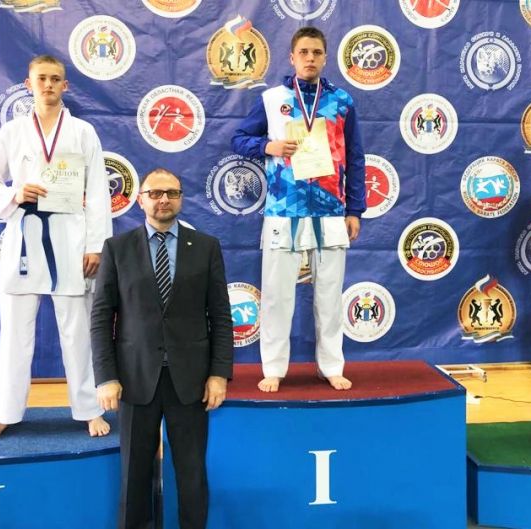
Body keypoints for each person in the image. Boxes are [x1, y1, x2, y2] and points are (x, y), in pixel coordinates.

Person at [0, 55, 111, 441]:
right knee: (14, 333)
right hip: (24, 238)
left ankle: (89, 409)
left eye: (55, 79)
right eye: (42, 79)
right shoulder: (13, 131)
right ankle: (5, 413)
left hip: (71, 238)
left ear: (65, 85)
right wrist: (14, 194)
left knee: (77, 329)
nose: (48, 85)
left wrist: (96, 246)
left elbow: (98, 191)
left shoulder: (82, 132)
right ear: (28, 83)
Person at [91, 168, 233, 529]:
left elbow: (220, 316)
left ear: (181, 199)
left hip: (191, 381)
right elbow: (101, 317)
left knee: (192, 474)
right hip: (134, 379)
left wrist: (219, 374)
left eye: (171, 192)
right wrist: (106, 377)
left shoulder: (206, 247)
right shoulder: (117, 248)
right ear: (141, 200)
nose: (163, 199)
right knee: (134, 474)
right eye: (155, 193)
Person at [231, 26, 366, 393]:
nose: (310, 58)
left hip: (330, 209)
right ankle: (273, 368)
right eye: (304, 52)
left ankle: (331, 366)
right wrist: (268, 147)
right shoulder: (272, 99)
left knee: (330, 295)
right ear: (292, 57)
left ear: (325, 58)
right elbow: (238, 139)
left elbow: (355, 156)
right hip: (283, 209)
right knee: (277, 296)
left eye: (316, 52)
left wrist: (355, 209)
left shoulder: (341, 101)